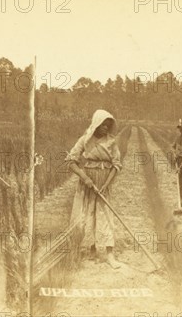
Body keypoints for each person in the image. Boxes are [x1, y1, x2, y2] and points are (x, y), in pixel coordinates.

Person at [66, 109, 123, 269]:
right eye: (103, 125)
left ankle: (110, 255)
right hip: (88, 183)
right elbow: (71, 161)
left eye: (108, 125)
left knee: (106, 216)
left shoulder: (111, 142)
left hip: (104, 183)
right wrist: (85, 178)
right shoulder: (85, 140)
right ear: (96, 124)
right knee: (87, 215)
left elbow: (116, 165)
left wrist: (106, 184)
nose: (106, 128)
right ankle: (91, 250)